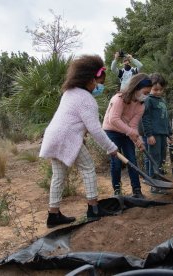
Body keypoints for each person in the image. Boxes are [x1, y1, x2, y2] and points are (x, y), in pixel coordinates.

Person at [39, 55, 118, 228]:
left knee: (58, 175)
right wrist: (111, 148)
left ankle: (53, 215)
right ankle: (93, 208)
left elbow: (73, 120)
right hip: (66, 138)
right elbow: (96, 129)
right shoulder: (86, 99)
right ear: (90, 79)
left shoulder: (69, 92)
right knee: (88, 167)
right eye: (99, 82)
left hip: (53, 136)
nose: (100, 87)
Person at [103, 73, 153, 198]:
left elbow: (133, 125)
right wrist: (131, 132)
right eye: (145, 92)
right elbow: (113, 119)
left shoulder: (141, 106)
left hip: (125, 133)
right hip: (111, 131)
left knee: (132, 160)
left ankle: (137, 191)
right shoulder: (119, 99)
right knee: (116, 162)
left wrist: (138, 140)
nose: (146, 96)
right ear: (136, 88)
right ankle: (117, 192)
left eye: (148, 93)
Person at [141, 73, 173, 194]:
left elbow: (165, 118)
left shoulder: (162, 100)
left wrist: (169, 133)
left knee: (162, 159)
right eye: (155, 89)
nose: (158, 92)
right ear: (150, 88)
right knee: (155, 159)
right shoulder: (148, 100)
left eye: (160, 89)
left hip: (162, 135)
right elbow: (145, 118)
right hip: (154, 135)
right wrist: (149, 135)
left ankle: (160, 183)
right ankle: (154, 185)